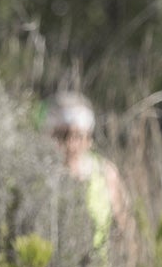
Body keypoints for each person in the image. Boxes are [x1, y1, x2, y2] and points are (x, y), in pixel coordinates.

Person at [44, 91, 124, 249]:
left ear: (89, 139)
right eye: (63, 135)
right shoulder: (43, 176)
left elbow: (124, 227)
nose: (71, 144)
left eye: (78, 136)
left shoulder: (106, 174)